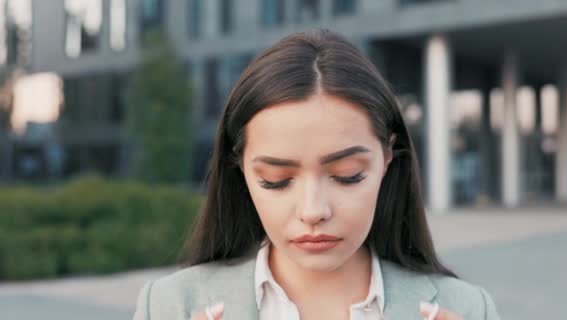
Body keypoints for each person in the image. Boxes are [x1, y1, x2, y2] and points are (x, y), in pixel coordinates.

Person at [132, 30, 500, 320]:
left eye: (347, 175)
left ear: (387, 158)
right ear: (240, 169)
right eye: (276, 179)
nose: (313, 211)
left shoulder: (465, 309)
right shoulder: (169, 307)